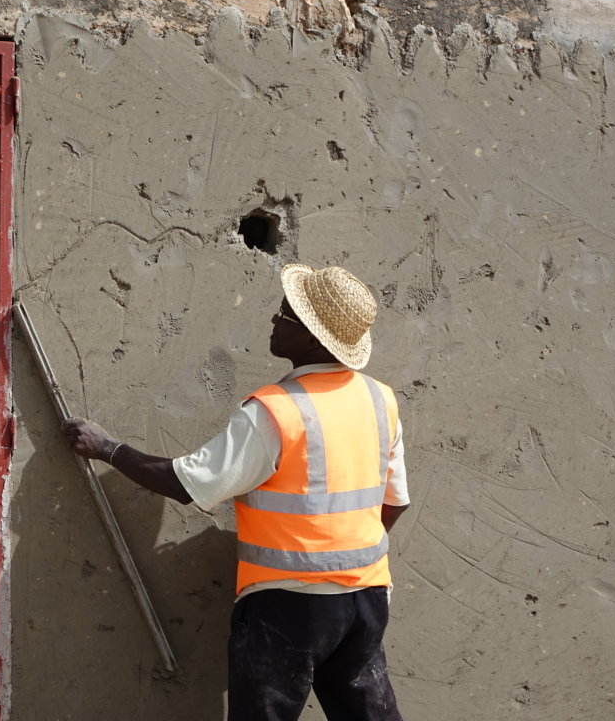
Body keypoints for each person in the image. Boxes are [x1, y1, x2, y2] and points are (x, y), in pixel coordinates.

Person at [62, 264, 409, 721]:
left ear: (311, 337)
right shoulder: (379, 398)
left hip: (289, 608)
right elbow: (395, 502)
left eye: (285, 314)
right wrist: (341, 560)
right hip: (366, 600)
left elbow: (188, 482)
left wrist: (107, 448)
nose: (273, 319)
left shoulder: (276, 412)